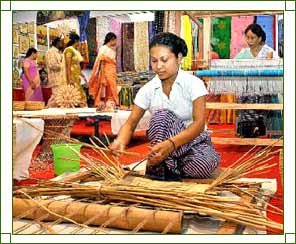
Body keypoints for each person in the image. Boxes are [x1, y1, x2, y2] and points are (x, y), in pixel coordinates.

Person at [109, 32, 220, 181]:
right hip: (163, 148)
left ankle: (169, 165)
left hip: (193, 141)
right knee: (162, 116)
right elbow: (131, 123)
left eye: (164, 60)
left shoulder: (194, 83)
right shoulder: (147, 89)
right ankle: (165, 164)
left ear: (179, 58)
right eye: (154, 61)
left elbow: (199, 124)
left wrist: (171, 145)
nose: (159, 66)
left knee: (205, 164)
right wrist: (120, 141)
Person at [235, 23, 281, 137]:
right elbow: (233, 66)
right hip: (247, 88)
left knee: (257, 98)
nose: (249, 41)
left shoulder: (268, 52)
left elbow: (273, 71)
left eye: (252, 38)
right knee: (243, 98)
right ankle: (247, 129)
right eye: (247, 37)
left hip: (265, 88)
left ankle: (258, 126)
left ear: (259, 38)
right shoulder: (243, 53)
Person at [88, 32, 119, 109]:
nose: (116, 42)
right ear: (111, 40)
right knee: (107, 88)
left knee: (111, 88)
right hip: (106, 71)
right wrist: (102, 76)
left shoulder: (112, 49)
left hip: (112, 71)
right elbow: (101, 63)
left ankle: (111, 104)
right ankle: (104, 104)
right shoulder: (103, 48)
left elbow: (113, 61)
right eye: (115, 40)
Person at [63, 32, 88, 107]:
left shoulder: (75, 51)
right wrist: (69, 77)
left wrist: (82, 74)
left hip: (77, 74)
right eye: (79, 41)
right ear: (76, 41)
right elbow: (68, 65)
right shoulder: (69, 50)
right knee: (75, 93)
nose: (79, 43)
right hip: (72, 74)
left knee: (80, 92)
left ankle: (81, 109)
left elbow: (77, 65)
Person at [45, 37, 64, 107]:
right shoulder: (51, 52)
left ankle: (56, 115)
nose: (63, 44)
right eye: (61, 42)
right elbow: (52, 65)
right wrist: (64, 66)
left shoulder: (59, 52)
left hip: (61, 79)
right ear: (57, 43)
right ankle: (47, 112)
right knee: (55, 98)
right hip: (55, 78)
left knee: (59, 98)